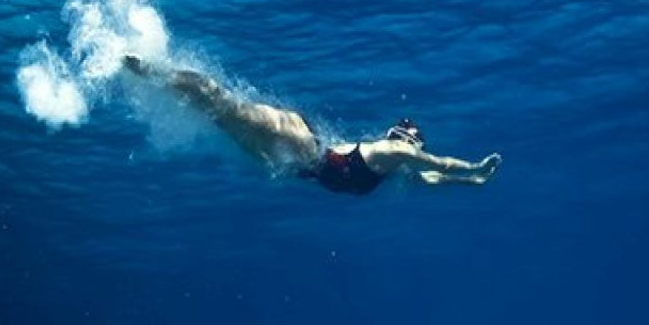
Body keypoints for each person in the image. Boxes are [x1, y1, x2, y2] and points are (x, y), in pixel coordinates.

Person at [123, 55, 501, 194]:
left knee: (219, 116)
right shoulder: (392, 152)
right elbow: (437, 164)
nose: (415, 153)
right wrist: (474, 166)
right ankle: (147, 67)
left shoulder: (394, 168)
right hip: (302, 145)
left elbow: (431, 179)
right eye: (416, 146)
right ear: (406, 140)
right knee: (227, 106)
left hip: (297, 166)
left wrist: (471, 182)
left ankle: (156, 77)